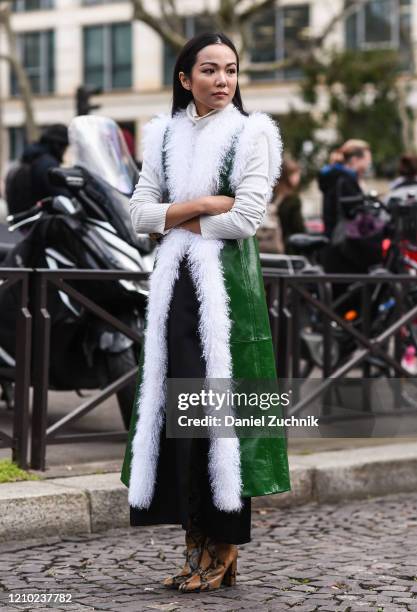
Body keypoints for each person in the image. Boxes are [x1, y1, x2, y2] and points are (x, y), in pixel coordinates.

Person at [121, 32, 291, 593]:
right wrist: (197, 205)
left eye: (232, 70)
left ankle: (223, 544)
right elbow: (138, 212)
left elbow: (245, 218)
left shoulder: (252, 132)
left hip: (228, 297)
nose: (222, 80)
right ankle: (195, 538)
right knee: (180, 418)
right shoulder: (164, 134)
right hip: (176, 292)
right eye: (210, 69)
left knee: (224, 418)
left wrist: (173, 217)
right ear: (184, 77)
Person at [5, 124, 70, 216]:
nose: (64, 151)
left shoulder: (26, 160)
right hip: (42, 223)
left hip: (23, 221)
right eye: (64, 147)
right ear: (58, 145)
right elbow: (62, 196)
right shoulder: (47, 164)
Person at [318, 140, 372, 239]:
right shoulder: (346, 179)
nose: (369, 162)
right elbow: (354, 212)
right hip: (344, 240)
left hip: (333, 236)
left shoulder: (334, 175)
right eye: (367, 158)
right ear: (355, 159)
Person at [273, 158, 305, 253]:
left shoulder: (272, 196)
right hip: (287, 249)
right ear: (288, 176)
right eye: (296, 173)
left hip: (266, 246)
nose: (298, 177)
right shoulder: (293, 200)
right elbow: (298, 228)